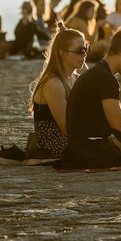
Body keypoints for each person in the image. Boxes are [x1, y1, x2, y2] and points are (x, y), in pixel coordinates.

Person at [66, 26, 121, 158]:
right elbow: (119, 125)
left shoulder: (97, 72)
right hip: (93, 147)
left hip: (82, 145)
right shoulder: (106, 79)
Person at [29, 27, 88, 157]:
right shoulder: (53, 83)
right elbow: (66, 127)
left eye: (86, 48)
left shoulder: (75, 79)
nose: (84, 54)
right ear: (63, 53)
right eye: (80, 50)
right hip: (54, 144)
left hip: (71, 138)